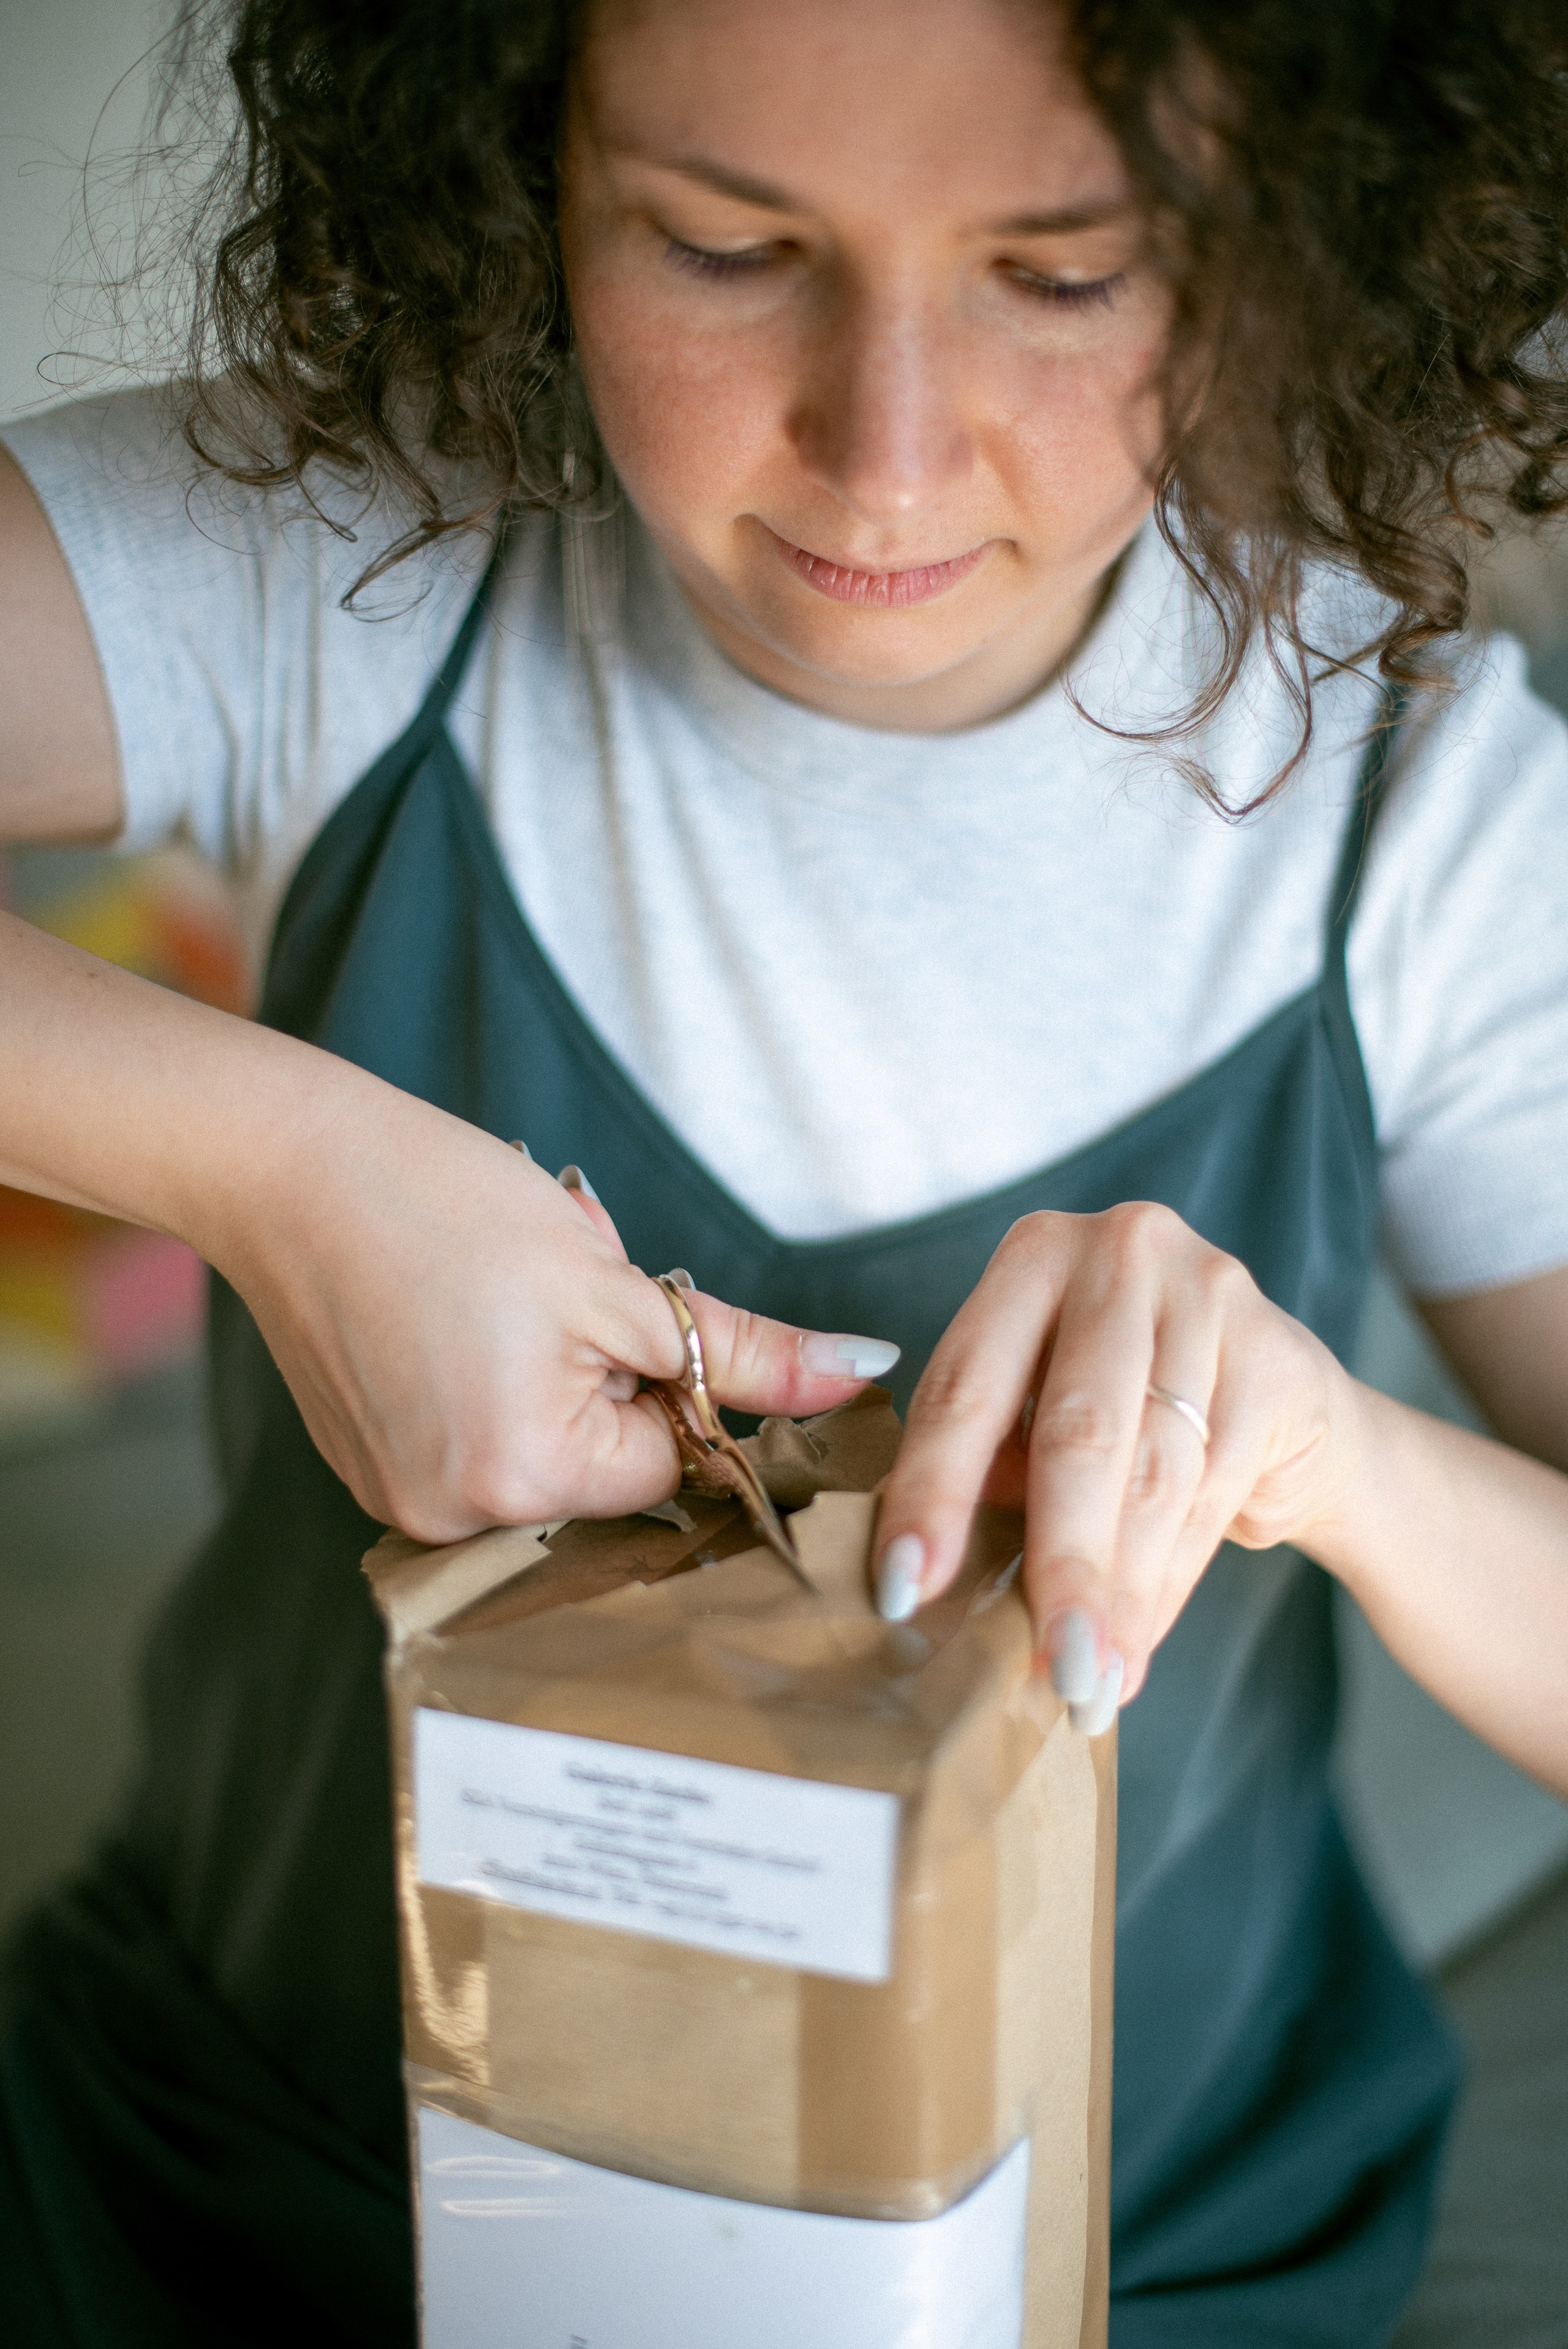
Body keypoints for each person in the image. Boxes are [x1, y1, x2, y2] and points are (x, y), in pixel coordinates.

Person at [2, 0, 1567, 2339]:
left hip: (1144, 2256)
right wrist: (266, 1159)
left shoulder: (1416, 817)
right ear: (521, 163)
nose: (889, 459)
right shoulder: (350, 551)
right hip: (271, 2175)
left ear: (1280, 236)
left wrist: (1331, 1452)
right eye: (727, 247)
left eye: (1062, 272)